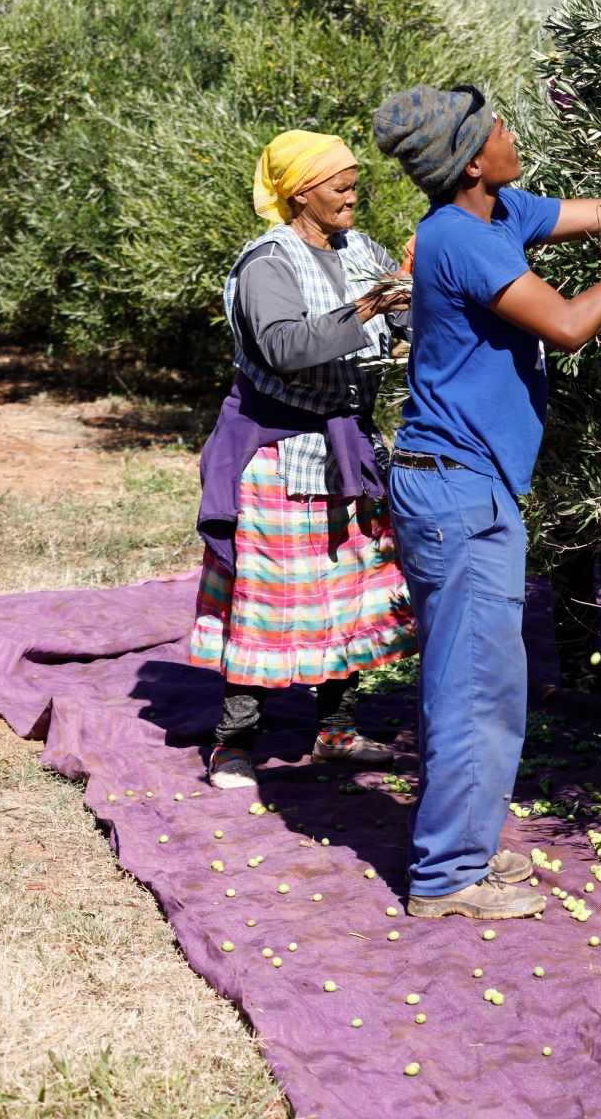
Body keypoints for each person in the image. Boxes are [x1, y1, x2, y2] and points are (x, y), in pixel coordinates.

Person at [372, 84, 601, 920]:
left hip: (462, 482)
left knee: (483, 678)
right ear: (469, 161)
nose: (512, 132)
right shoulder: (461, 240)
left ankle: (460, 854)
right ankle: (448, 877)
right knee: (475, 686)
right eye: (497, 127)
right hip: (458, 490)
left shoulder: (499, 214)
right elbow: (566, 324)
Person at [189, 131, 416, 789]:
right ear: (298, 192)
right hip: (280, 451)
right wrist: (374, 303)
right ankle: (233, 741)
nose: (353, 192)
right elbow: (285, 346)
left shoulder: (362, 250)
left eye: (353, 180)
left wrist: (418, 293)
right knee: (267, 595)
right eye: (339, 182)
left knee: (347, 593)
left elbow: (402, 327)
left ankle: (336, 730)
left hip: (348, 448)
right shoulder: (267, 262)